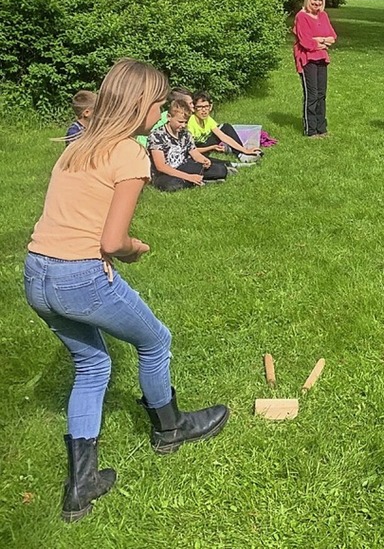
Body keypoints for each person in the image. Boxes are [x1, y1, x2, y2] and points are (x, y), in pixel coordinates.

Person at [23, 59, 229, 523]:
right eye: (158, 104)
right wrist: (134, 250)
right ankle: (171, 428)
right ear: (140, 104)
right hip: (80, 276)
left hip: (36, 274)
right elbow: (112, 240)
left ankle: (82, 484)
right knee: (155, 341)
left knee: (93, 362)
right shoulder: (129, 153)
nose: (160, 113)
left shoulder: (78, 145)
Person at [148, 98, 229, 191]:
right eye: (180, 122)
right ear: (169, 117)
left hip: (183, 166)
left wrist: (204, 160)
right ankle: (198, 180)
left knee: (221, 170)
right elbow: (161, 166)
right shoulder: (157, 136)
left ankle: (197, 180)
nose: (183, 125)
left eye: (186, 122)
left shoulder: (185, 134)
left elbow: (194, 153)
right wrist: (189, 177)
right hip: (165, 173)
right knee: (173, 185)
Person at [292, 0, 337, 138]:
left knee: (321, 94)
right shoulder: (301, 16)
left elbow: (332, 37)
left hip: (322, 59)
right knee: (311, 95)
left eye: (320, 0)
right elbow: (305, 42)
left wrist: (320, 40)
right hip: (307, 59)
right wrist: (319, 42)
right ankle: (310, 130)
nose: (317, 3)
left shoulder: (323, 15)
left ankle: (321, 128)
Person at [187, 91, 262, 163]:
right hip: (196, 149)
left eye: (206, 106)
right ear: (194, 108)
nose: (204, 110)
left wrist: (244, 150)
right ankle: (233, 151)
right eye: (200, 107)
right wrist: (212, 147)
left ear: (210, 107)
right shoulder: (190, 123)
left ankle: (241, 154)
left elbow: (223, 136)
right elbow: (191, 150)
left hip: (206, 143)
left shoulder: (207, 119)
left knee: (226, 127)